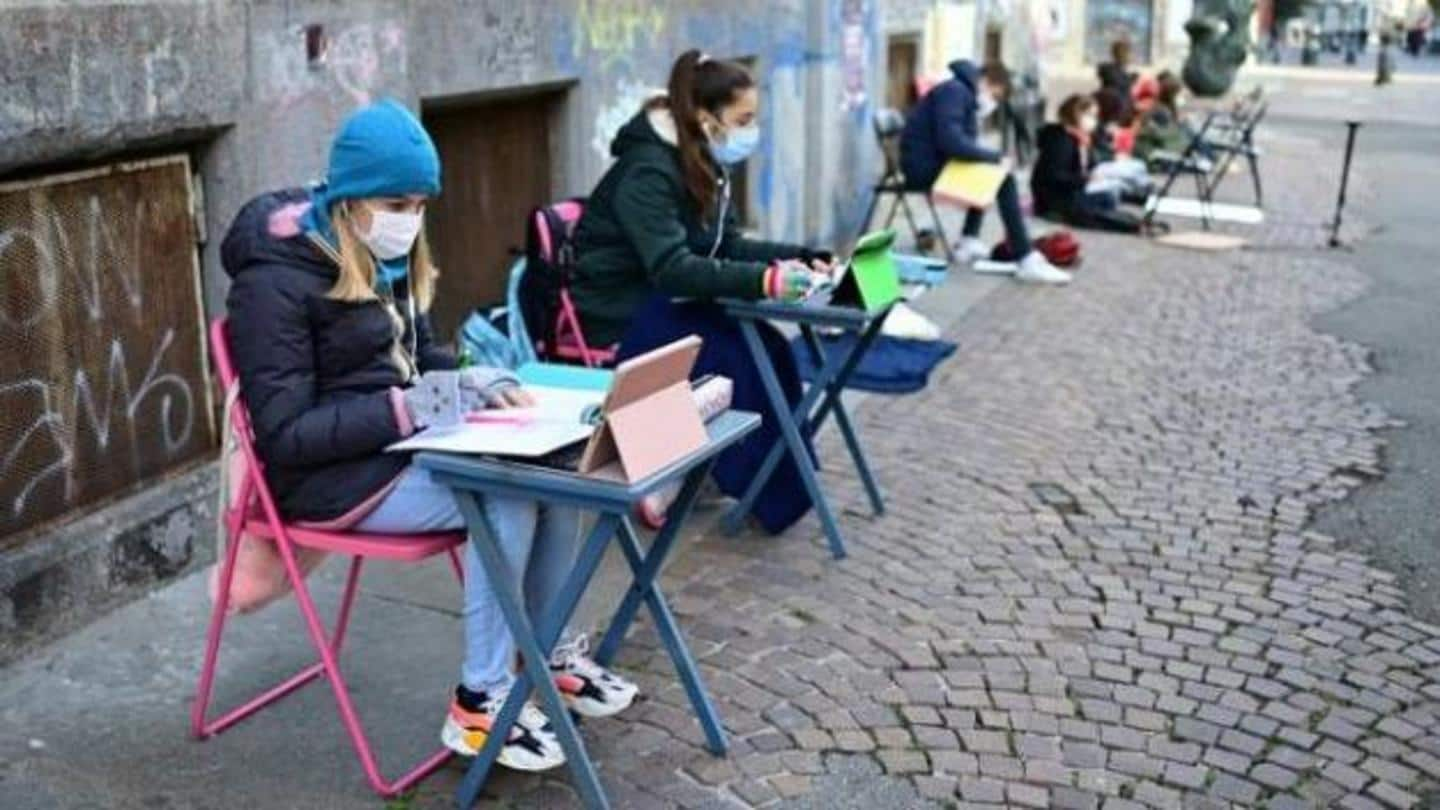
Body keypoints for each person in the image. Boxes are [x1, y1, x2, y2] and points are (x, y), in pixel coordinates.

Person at [222, 99, 637, 774]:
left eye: (419, 203)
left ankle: (546, 653)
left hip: (394, 451)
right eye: (396, 202)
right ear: (352, 198)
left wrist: (471, 378)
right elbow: (284, 435)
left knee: (558, 474)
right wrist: (405, 409)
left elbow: (420, 357)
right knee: (502, 496)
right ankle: (481, 700)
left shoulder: (381, 259)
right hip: (327, 481)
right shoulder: (275, 283)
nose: (409, 219)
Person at [570, 50, 833, 535]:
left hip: (667, 298)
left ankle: (766, 487)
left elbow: (726, 245)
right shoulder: (648, 170)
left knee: (770, 347)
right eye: (744, 119)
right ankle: (673, 475)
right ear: (704, 118)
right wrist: (763, 281)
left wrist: (797, 254)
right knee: (732, 356)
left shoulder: (703, 161)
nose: (750, 131)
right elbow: (671, 267)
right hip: (618, 307)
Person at [898, 59, 1071, 283]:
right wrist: (994, 157)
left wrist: (988, 159)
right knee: (1002, 179)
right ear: (987, 82)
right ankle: (1025, 257)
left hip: (931, 162)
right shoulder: (955, 92)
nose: (992, 103)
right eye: (995, 95)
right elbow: (951, 141)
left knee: (992, 171)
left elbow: (958, 141)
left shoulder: (960, 93)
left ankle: (970, 239)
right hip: (923, 168)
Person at [1031, 94, 1142, 233]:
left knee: (1112, 192)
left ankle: (1137, 211)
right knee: (1101, 202)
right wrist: (1085, 179)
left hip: (1075, 189)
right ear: (1077, 114)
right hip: (1056, 198)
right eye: (1090, 115)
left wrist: (1096, 172)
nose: (1094, 121)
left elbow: (1089, 164)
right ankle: (1133, 225)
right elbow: (1054, 177)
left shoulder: (1081, 138)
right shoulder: (1061, 141)